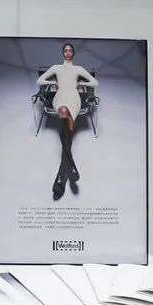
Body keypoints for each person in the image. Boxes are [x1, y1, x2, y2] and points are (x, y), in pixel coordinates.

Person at [37, 43, 98, 200]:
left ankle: (62, 173)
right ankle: (70, 163)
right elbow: (40, 81)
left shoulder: (78, 69)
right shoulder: (56, 68)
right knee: (64, 111)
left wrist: (81, 84)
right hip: (60, 97)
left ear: (73, 53)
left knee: (69, 119)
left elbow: (95, 83)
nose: (68, 52)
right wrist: (52, 83)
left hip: (74, 98)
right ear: (62, 53)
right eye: (66, 50)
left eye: (70, 50)